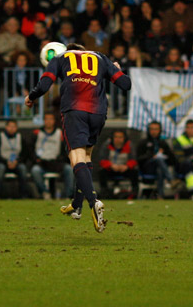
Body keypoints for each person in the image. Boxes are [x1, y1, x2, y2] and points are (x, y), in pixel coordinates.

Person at [25, 43, 132, 233]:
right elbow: (126, 84)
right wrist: (117, 70)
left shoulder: (60, 58)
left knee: (76, 158)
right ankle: (77, 204)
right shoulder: (100, 57)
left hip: (75, 110)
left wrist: (31, 97)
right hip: (98, 113)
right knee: (86, 156)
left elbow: (44, 85)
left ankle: (93, 202)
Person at [30, 112, 74, 200]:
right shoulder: (37, 133)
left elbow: (65, 150)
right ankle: (45, 192)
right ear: (43, 121)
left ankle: (66, 195)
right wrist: (37, 159)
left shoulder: (60, 133)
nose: (49, 121)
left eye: (51, 119)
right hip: (42, 163)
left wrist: (60, 160)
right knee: (35, 170)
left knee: (69, 169)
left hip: (57, 163)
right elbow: (31, 150)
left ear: (54, 121)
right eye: (46, 119)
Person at [137, 121, 176, 199]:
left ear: (160, 130)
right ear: (148, 130)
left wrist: (165, 154)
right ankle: (171, 180)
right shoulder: (143, 143)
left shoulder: (163, 143)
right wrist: (151, 156)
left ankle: (160, 196)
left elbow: (172, 160)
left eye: (156, 129)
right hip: (147, 168)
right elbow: (138, 159)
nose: (154, 131)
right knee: (158, 159)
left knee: (160, 168)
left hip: (160, 169)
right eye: (152, 129)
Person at [0, 120, 29, 199]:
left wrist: (17, 161)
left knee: (23, 169)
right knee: (0, 168)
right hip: (2, 162)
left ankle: (24, 195)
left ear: (16, 128)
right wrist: (6, 162)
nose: (12, 128)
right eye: (10, 126)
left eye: (14, 127)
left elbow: (25, 154)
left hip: (16, 163)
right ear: (6, 127)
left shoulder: (21, 138)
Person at [98, 130, 138, 199]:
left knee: (134, 172)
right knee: (101, 172)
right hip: (111, 169)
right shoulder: (107, 145)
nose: (118, 139)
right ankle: (104, 192)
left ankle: (134, 193)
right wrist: (111, 165)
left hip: (125, 169)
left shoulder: (129, 145)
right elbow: (102, 160)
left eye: (120, 137)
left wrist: (127, 166)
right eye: (116, 137)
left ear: (124, 138)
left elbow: (134, 160)